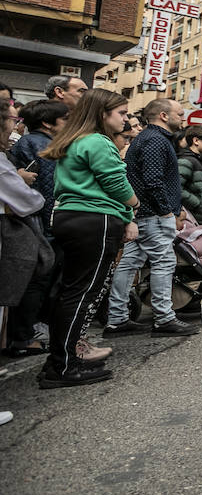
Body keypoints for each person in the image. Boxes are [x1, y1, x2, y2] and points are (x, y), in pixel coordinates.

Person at [38, 89, 139, 387]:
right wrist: (134, 203)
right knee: (83, 293)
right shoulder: (97, 141)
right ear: (102, 113)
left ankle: (59, 360)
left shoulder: (76, 140)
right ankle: (65, 367)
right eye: (121, 113)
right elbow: (114, 181)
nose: (126, 118)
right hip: (94, 218)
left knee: (72, 291)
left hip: (72, 217)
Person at [104, 98, 198, 338]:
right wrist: (167, 210)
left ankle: (117, 319)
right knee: (164, 262)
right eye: (180, 113)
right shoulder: (156, 140)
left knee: (128, 263)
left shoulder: (148, 138)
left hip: (142, 214)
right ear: (164, 116)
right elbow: (153, 179)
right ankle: (164, 318)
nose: (183, 117)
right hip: (154, 215)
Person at [5, 100, 68, 356]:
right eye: (64, 119)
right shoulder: (43, 145)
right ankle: (26, 336)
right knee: (40, 280)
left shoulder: (26, 143)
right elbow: (49, 190)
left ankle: (23, 334)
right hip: (42, 223)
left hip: (33, 221)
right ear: (47, 123)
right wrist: (55, 223)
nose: (68, 124)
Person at [177, 124, 202, 226]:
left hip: (198, 219)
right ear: (196, 141)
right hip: (194, 218)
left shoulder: (196, 160)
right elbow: (176, 187)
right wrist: (197, 203)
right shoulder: (186, 161)